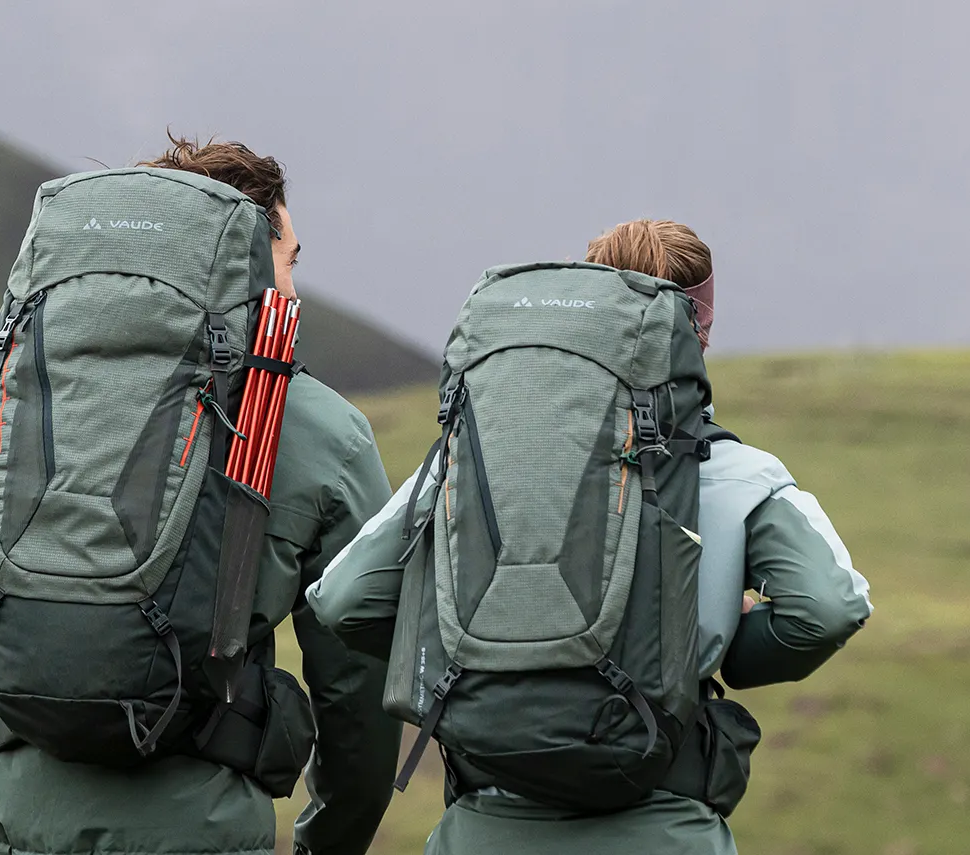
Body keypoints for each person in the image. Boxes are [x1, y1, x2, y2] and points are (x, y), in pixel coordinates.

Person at [0, 136, 401, 855]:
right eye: (289, 259)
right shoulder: (323, 432)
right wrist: (329, 841)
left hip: (22, 831)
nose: (295, 289)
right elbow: (359, 691)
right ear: (244, 262)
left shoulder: (2, 404)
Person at [306, 219, 874, 854]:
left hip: (482, 830)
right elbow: (828, 607)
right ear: (699, 334)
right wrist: (698, 648)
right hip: (663, 832)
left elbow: (342, 599)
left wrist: (468, 657)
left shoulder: (466, 462)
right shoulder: (739, 474)